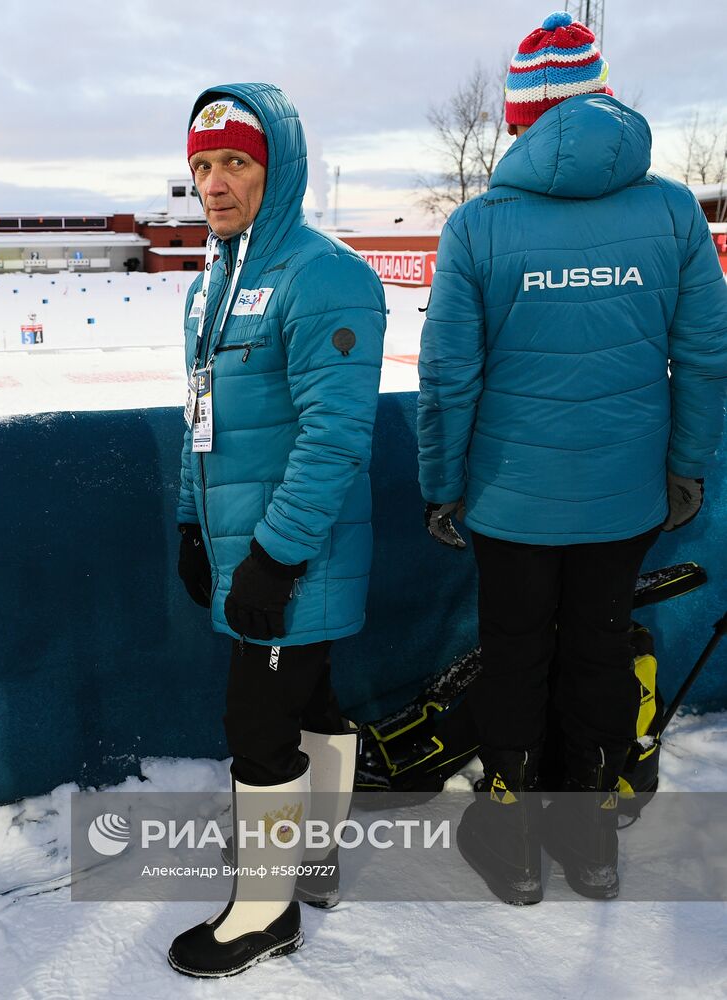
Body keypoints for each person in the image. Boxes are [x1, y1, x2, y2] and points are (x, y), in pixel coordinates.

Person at [418, 11, 727, 904]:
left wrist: (442, 486)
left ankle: (513, 837)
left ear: (519, 121)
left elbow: (447, 379)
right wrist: (686, 467)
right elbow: (705, 354)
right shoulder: (672, 210)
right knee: (596, 649)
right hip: (625, 496)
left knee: (515, 652)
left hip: (509, 501)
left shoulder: (477, 228)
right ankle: (588, 837)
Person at [168, 83, 386, 977]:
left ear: (278, 169)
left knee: (257, 727)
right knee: (314, 701)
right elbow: (202, 417)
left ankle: (266, 912)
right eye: (203, 166)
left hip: (295, 554)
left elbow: (336, 436)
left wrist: (272, 558)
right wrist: (192, 520)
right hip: (244, 545)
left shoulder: (325, 275)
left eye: (237, 163)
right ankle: (313, 861)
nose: (216, 184)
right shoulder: (213, 282)